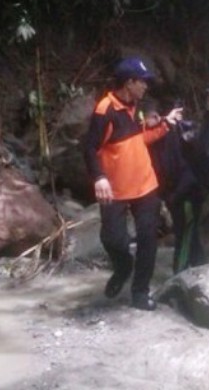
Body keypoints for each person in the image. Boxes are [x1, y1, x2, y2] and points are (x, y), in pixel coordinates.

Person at [82, 57, 183, 311]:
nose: (146, 87)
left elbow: (139, 139)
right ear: (129, 83)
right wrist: (99, 177)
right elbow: (90, 147)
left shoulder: (135, 106)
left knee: (148, 239)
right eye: (143, 82)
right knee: (113, 240)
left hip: (145, 185)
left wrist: (165, 125)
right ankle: (123, 267)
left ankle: (140, 293)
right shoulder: (105, 111)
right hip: (115, 188)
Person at [141, 99, 206, 273]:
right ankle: (199, 268)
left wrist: (174, 193)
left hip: (186, 191)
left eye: (147, 118)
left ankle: (181, 272)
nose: (145, 123)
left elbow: (180, 165)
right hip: (175, 192)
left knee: (185, 233)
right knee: (188, 233)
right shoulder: (149, 139)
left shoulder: (172, 133)